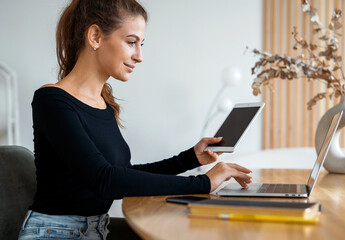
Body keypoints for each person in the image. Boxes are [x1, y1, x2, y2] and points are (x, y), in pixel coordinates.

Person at [18, 0, 252, 239]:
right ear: (96, 36)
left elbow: (122, 173)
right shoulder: (52, 101)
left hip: (97, 231)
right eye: (131, 42)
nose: (139, 56)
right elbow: (105, 180)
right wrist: (202, 183)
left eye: (141, 44)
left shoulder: (104, 104)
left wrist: (190, 158)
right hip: (53, 233)